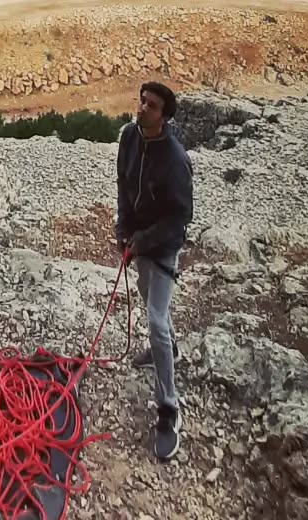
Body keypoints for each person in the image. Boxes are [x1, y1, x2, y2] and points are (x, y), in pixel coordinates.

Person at [116, 79, 193, 465]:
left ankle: (169, 410)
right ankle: (169, 350)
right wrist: (122, 230)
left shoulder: (175, 158)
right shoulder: (129, 137)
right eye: (142, 101)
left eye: (151, 105)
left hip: (161, 248)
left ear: (164, 116)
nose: (142, 108)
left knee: (156, 321)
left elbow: (180, 217)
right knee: (150, 304)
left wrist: (142, 241)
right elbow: (123, 185)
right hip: (140, 243)